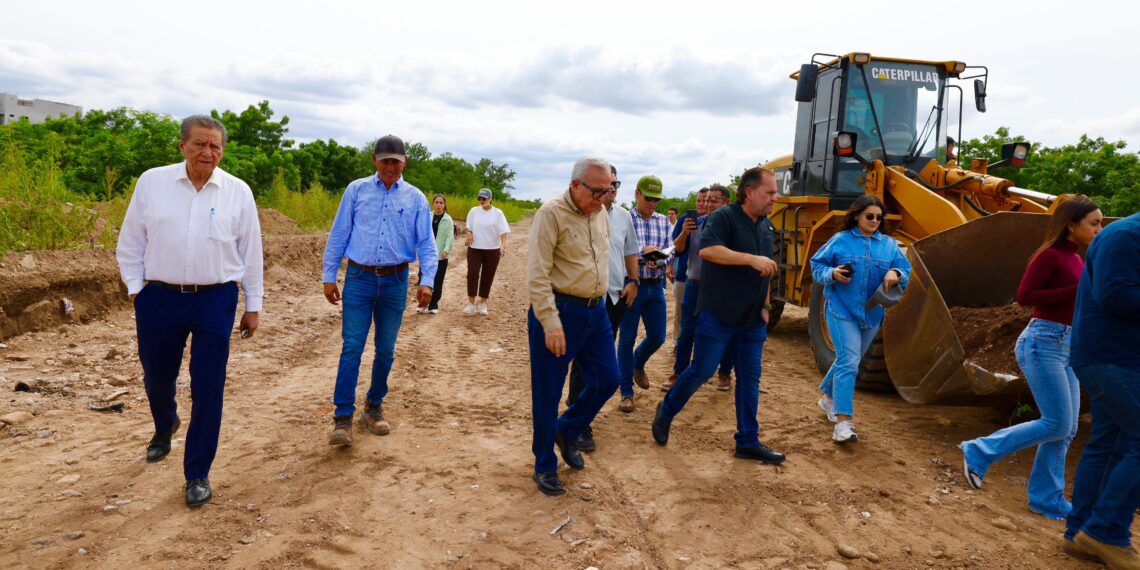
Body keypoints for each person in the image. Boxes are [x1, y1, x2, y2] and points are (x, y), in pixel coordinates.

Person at [116, 115, 263, 507]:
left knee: (208, 385)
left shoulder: (237, 192)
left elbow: (251, 253)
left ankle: (197, 472)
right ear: (182, 146)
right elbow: (131, 241)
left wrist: (253, 305)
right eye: (199, 144)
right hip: (159, 297)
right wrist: (137, 290)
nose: (207, 152)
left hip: (215, 299)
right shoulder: (152, 182)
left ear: (222, 151)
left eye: (215, 146)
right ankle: (165, 424)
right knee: (157, 377)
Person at [960, 197, 1101, 518]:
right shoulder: (1050, 255)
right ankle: (979, 450)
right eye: (1093, 223)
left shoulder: (1076, 258)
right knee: (1057, 423)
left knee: (1067, 428)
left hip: (1068, 346)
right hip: (1043, 342)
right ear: (1071, 224)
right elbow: (1025, 297)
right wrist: (1076, 291)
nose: (1099, 229)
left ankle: (1046, 498)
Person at [652, 167, 785, 465]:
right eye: (770, 192)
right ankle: (666, 410)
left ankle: (747, 441)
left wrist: (765, 305)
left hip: (752, 319)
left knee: (749, 378)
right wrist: (750, 259)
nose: (775, 198)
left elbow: (766, 270)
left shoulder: (766, 226)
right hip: (719, 314)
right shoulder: (724, 217)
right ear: (749, 192)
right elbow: (709, 251)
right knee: (702, 370)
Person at [322, 134, 437, 446]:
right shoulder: (356, 190)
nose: (390, 167)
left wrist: (427, 280)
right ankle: (343, 417)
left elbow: (426, 243)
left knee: (386, 349)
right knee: (352, 347)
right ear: (374, 160)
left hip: (395, 281)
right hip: (359, 278)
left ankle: (373, 406)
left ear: (404, 163)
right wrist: (329, 275)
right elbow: (339, 233)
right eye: (385, 161)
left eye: (396, 162)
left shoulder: (416, 198)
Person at [527, 156, 621, 496]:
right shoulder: (551, 214)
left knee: (608, 379)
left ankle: (566, 429)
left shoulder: (600, 213)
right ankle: (544, 465)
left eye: (609, 190)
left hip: (596, 313)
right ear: (575, 184)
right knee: (548, 393)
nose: (603, 198)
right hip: (559, 311)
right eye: (597, 191)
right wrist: (550, 323)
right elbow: (537, 274)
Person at [1061, 210, 1140, 568]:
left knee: (1110, 445)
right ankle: (1106, 532)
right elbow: (1113, 295)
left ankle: (1082, 534)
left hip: (1122, 358)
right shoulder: (1124, 236)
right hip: (1109, 357)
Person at [810, 195, 911, 443]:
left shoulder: (889, 245)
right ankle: (842, 423)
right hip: (841, 309)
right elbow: (817, 267)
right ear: (857, 216)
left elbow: (906, 270)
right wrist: (832, 273)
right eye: (870, 216)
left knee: (848, 360)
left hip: (872, 313)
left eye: (879, 217)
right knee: (850, 362)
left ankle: (828, 398)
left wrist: (895, 272)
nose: (875, 221)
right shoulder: (840, 240)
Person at [565, 164, 639, 453]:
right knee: (582, 361)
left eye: (615, 185)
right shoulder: (580, 213)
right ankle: (578, 421)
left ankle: (580, 414)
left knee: (600, 361)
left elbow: (630, 250)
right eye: (606, 185)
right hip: (587, 296)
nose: (611, 190)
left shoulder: (623, 216)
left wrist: (633, 281)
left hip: (616, 297)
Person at [665, 184, 736, 391]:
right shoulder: (696, 223)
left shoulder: (731, 227)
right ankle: (679, 373)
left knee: (723, 331)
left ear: (726, 203)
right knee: (686, 332)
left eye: (713, 201)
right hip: (693, 285)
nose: (707, 204)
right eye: (705, 200)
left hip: (720, 289)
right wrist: (684, 233)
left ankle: (724, 372)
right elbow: (678, 250)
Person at [616, 175, 672, 412]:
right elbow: (618, 248)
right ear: (637, 194)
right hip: (631, 285)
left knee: (658, 336)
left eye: (656, 199)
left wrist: (660, 259)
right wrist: (643, 253)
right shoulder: (624, 218)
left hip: (655, 286)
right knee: (626, 339)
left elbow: (670, 250)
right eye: (648, 198)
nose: (652, 203)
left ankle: (637, 364)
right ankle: (626, 392)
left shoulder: (664, 221)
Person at [463, 188, 511, 316]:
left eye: (484, 198)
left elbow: (503, 232)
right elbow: (468, 226)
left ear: (490, 199)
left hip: (492, 249)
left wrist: (503, 246)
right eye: (479, 198)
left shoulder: (498, 213)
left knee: (487, 276)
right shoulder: (473, 211)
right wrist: (469, 233)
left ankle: (483, 303)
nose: (481, 200)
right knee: (472, 274)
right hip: (474, 248)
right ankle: (471, 304)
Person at [668, 190, 705, 347]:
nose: (702, 204)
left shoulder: (717, 220)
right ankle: (678, 344)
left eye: (705, 200)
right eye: (699, 200)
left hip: (708, 280)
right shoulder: (685, 219)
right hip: (683, 275)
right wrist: (669, 266)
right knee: (680, 314)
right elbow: (674, 247)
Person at [416, 194, 454, 314]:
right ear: (433, 203)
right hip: (426, 255)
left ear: (444, 205)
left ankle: (433, 304)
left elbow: (450, 237)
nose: (438, 205)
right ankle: (422, 303)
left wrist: (446, 250)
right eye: (436, 202)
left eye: (441, 203)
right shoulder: (427, 216)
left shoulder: (448, 219)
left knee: (438, 280)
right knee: (423, 279)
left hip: (440, 256)